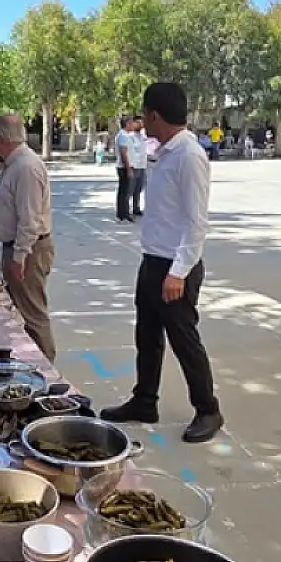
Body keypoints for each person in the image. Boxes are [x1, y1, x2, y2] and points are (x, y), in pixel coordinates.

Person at [102, 81, 224, 444]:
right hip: (152, 261)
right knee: (147, 338)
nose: (142, 122)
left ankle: (208, 409)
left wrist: (178, 272)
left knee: (185, 341)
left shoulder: (189, 155)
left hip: (175, 267)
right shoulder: (164, 150)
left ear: (154, 115)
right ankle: (144, 400)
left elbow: (197, 223)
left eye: (144, 114)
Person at [0, 113, 57, 362]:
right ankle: (33, 365)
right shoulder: (15, 162)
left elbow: (30, 220)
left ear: (0, 139)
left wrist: (19, 256)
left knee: (33, 315)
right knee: (24, 312)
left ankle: (47, 369)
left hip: (30, 249)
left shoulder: (26, 166)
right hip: (21, 247)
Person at [114, 115, 148, 222]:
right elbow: (124, 153)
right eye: (132, 123)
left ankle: (123, 213)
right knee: (125, 191)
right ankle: (123, 213)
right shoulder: (123, 136)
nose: (134, 125)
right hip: (125, 167)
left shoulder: (125, 135)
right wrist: (128, 168)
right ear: (128, 123)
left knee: (125, 190)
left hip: (131, 166)